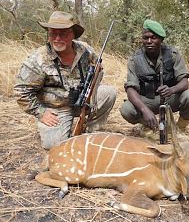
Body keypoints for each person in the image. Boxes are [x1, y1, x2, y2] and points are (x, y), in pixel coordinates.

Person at [14, 11, 117, 149]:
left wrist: (89, 92)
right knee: (56, 146)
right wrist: (41, 112)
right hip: (56, 108)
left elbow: (98, 70)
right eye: (53, 34)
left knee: (109, 93)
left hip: (82, 100)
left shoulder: (85, 50)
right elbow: (21, 91)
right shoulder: (38, 58)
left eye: (63, 33)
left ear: (73, 34)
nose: (57, 38)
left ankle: (92, 132)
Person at [120, 19, 189, 137]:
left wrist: (172, 90)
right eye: (145, 38)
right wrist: (144, 110)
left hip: (169, 98)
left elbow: (184, 82)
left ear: (161, 39)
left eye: (153, 38)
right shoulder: (134, 59)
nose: (149, 41)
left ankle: (179, 129)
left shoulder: (173, 54)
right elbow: (131, 89)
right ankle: (149, 126)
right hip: (147, 100)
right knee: (127, 109)